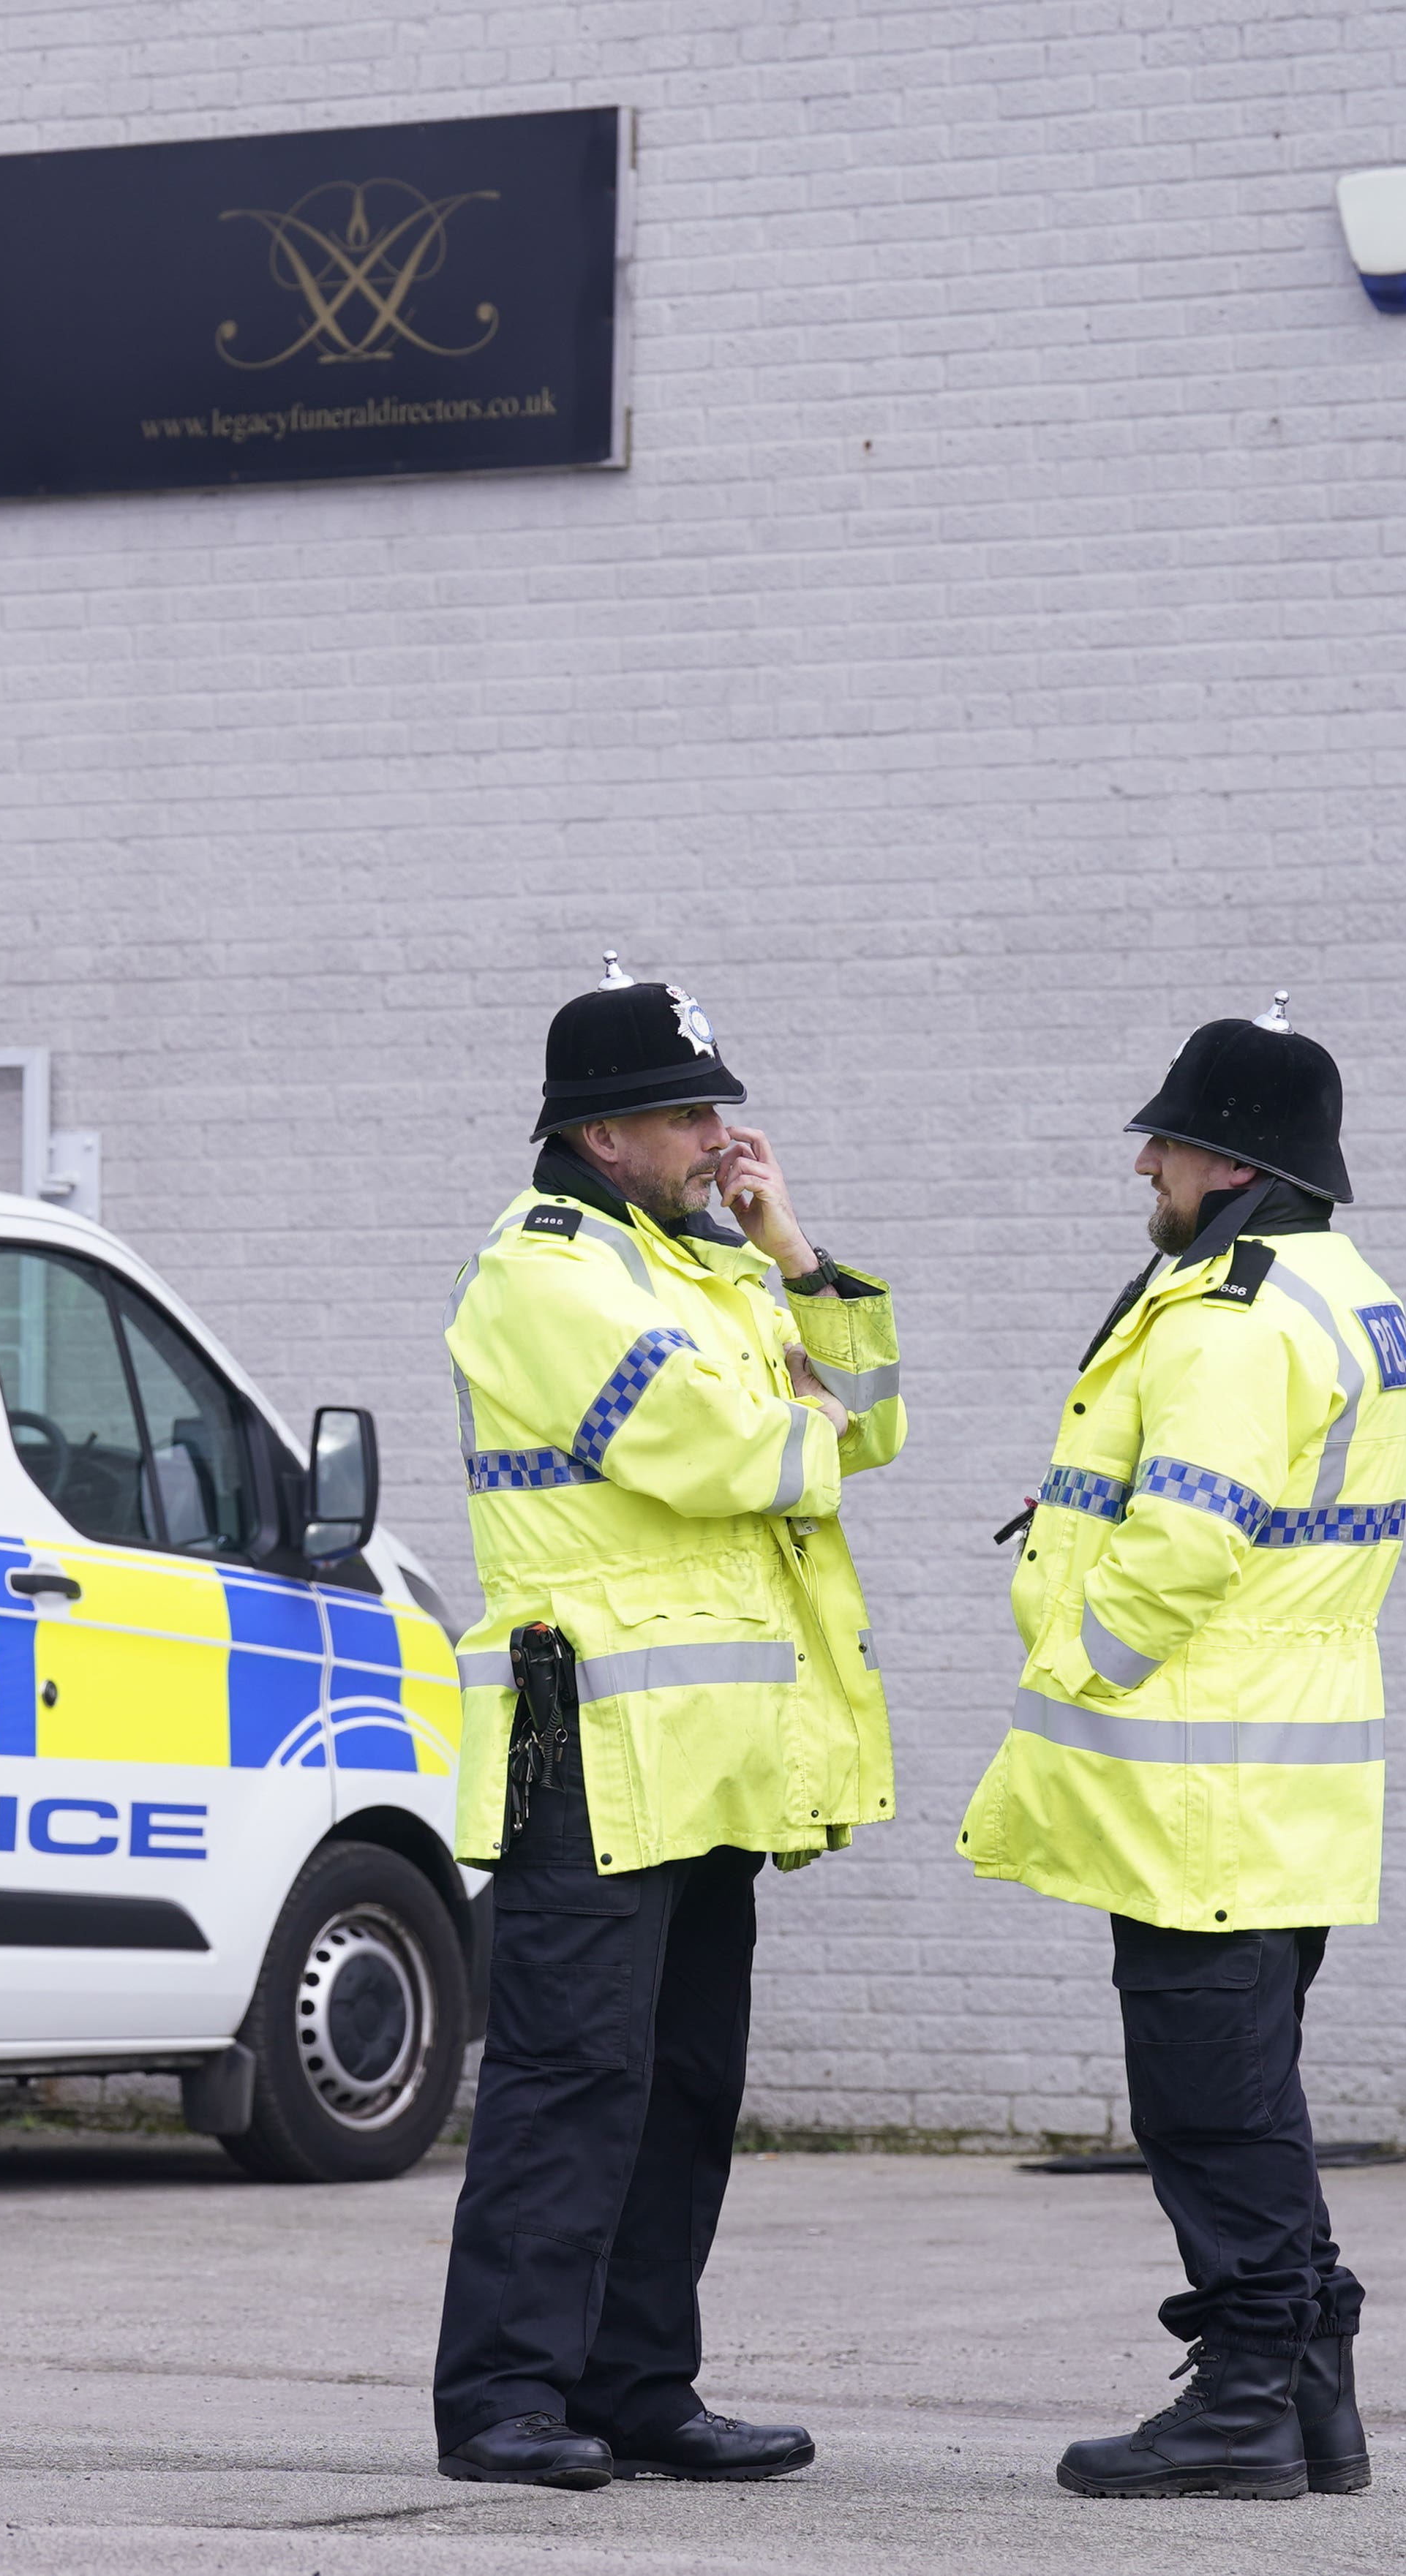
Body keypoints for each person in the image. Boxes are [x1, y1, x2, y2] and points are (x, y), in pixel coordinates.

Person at [429, 956, 904, 2490]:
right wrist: (803, 1420)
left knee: (683, 2086)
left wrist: (790, 1245)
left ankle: (640, 2386)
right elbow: (715, 1454)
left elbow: (870, 1417)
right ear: (597, 1136)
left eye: (713, 1108)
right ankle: (502, 2397)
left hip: (708, 1757)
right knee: (567, 2082)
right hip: (585, 1749)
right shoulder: (540, 1273)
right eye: (681, 1112)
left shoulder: (706, 1263)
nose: (713, 1134)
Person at [956, 1000, 1406, 2501]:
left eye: (1160, 1140)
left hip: (1194, 1789)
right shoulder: (1336, 1288)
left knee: (1207, 2109)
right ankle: (1306, 2399)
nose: (1141, 1166)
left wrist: (1070, 1665)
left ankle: (1240, 2403)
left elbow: (1182, 1546)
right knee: (1248, 2095)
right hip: (1274, 1776)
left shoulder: (1232, 1317)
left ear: (1222, 1160)